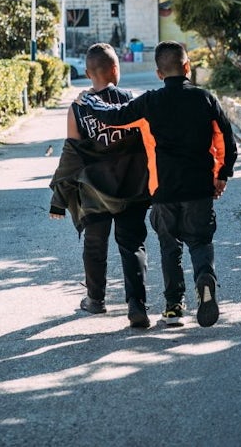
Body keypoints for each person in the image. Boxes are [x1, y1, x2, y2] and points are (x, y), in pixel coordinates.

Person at [76, 41, 237, 328]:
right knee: (200, 241)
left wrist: (90, 102)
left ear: (159, 74)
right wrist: (222, 174)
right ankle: (204, 279)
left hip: (162, 192)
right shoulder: (205, 99)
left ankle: (174, 307)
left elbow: (116, 118)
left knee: (169, 246)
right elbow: (226, 139)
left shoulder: (150, 102)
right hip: (200, 189)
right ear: (187, 67)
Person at [49, 43, 152, 328]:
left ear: (86, 73)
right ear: (115, 69)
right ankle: (137, 306)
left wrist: (59, 198)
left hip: (94, 191)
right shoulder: (131, 100)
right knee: (133, 244)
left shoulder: (78, 109)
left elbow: (71, 155)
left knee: (95, 245)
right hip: (134, 187)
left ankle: (96, 300)